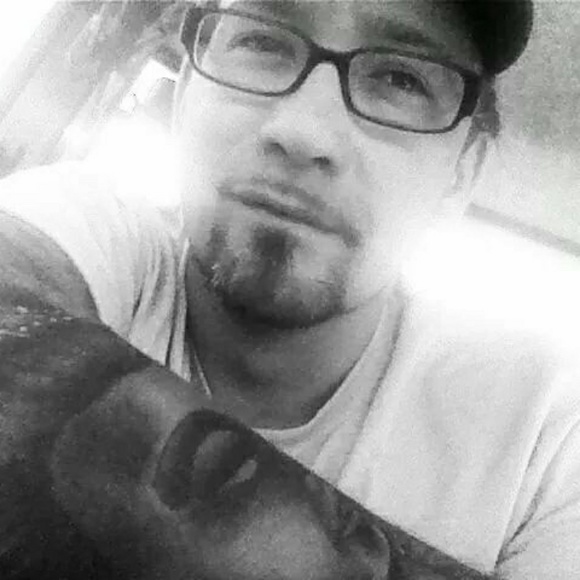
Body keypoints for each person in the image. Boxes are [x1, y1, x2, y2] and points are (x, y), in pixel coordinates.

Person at [2, 0, 580, 577]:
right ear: (184, 97)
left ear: (461, 174)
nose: (302, 134)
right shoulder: (91, 231)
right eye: (261, 42)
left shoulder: (546, 441)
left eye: (400, 79)